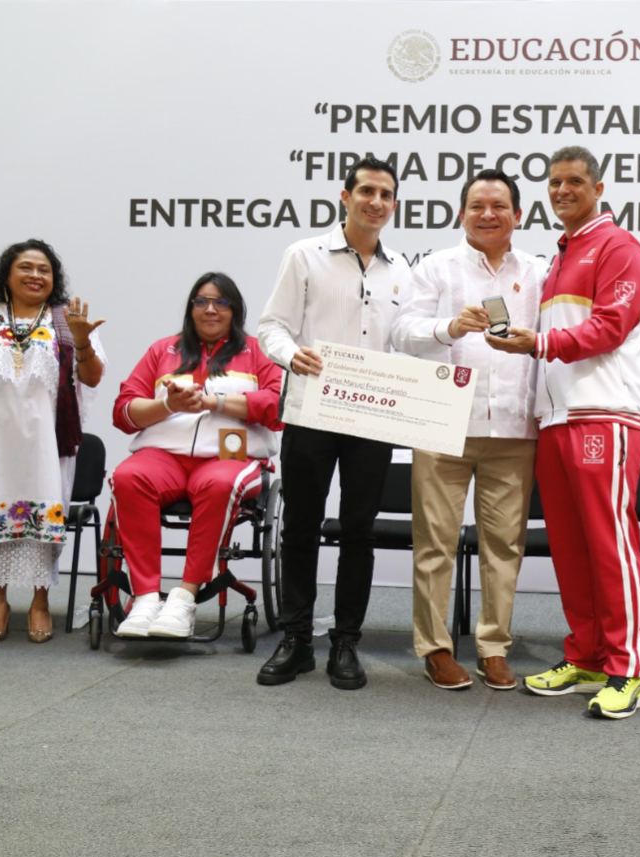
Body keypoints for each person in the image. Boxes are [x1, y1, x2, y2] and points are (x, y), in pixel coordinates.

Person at [486, 145, 640, 719]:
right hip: (556, 419)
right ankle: (586, 656)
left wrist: (537, 342)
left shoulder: (618, 246)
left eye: (574, 182)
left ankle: (629, 667)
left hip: (605, 414)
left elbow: (609, 327)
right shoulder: (563, 253)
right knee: (572, 550)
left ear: (599, 187)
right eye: (554, 183)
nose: (562, 191)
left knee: (611, 546)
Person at [256, 157, 411, 689]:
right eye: (366, 191)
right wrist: (288, 354)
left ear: (394, 204)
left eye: (386, 194)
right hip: (313, 410)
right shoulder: (305, 255)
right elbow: (270, 325)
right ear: (344, 197)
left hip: (373, 417)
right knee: (300, 525)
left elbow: (406, 339)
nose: (376, 201)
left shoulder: (402, 268)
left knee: (359, 532)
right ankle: (296, 638)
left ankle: (346, 640)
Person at [390, 169, 545, 691]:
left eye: (499, 205)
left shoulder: (540, 273)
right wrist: (448, 328)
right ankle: (435, 648)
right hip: (443, 422)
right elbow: (402, 333)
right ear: (461, 213)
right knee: (435, 543)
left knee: (504, 545)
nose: (488, 214)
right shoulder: (435, 268)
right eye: (477, 205)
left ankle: (493, 648)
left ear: (518, 215)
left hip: (514, 427)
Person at [0, 239, 105, 642]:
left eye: (44, 269)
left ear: (54, 278)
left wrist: (82, 341)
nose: (35, 275)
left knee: (44, 511)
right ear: (7, 275)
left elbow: (93, 377)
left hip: (47, 442)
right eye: (26, 268)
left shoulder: (66, 321)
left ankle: (40, 600)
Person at [108, 273, 283, 638]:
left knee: (220, 484)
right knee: (127, 477)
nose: (210, 309)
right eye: (201, 301)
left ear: (235, 309)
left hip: (228, 457)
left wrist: (216, 401)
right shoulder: (163, 350)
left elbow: (278, 408)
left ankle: (184, 599)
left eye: (221, 302)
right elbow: (124, 411)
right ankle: (144, 598)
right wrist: (168, 404)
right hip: (164, 456)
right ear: (191, 308)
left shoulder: (258, 350)